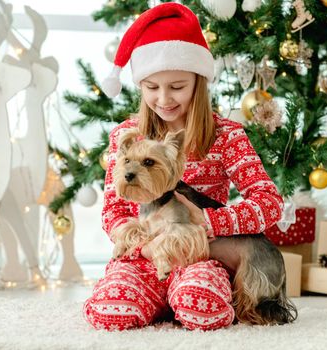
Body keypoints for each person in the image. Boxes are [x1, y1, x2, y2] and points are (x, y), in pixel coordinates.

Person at [83, 2, 283, 332]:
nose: (164, 99)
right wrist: (145, 247)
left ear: (198, 82)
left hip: (200, 258)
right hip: (143, 256)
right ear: (140, 86)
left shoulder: (227, 136)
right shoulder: (125, 135)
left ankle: (176, 300)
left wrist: (209, 220)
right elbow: (113, 212)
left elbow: (269, 204)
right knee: (110, 311)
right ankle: (154, 299)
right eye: (152, 87)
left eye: (177, 87)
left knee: (202, 309)